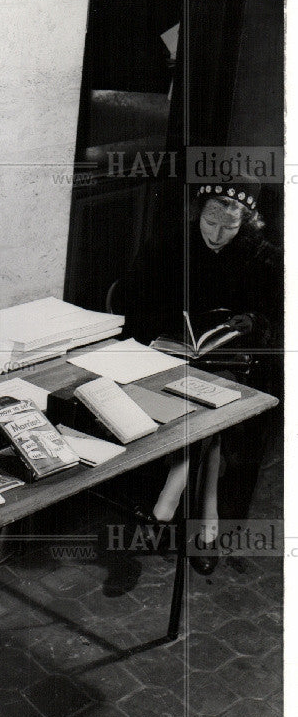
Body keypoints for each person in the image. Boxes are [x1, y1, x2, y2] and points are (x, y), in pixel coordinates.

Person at [123, 183, 279, 577]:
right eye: (210, 220)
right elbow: (135, 297)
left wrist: (257, 322)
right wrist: (166, 324)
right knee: (210, 412)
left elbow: (281, 313)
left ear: (246, 222)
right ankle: (205, 520)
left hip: (239, 363)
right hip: (172, 354)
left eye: (228, 226)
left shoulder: (263, 255)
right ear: (200, 210)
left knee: (219, 401)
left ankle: (171, 499)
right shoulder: (172, 244)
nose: (215, 233)